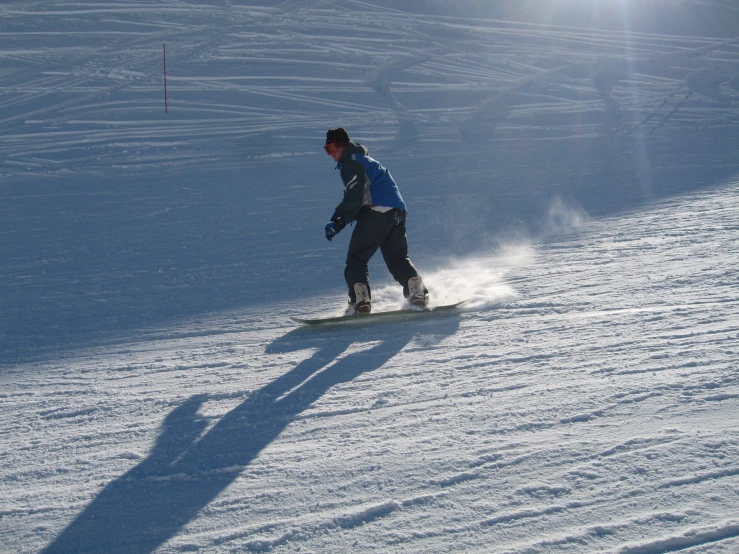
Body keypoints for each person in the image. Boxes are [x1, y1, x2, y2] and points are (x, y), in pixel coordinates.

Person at [322, 127, 428, 314]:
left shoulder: (352, 162)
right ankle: (416, 291)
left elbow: (354, 196)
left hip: (376, 212)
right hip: (397, 212)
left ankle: (359, 301)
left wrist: (338, 220)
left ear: (342, 146)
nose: (330, 154)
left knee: (356, 258)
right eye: (327, 150)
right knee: (398, 258)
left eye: (331, 149)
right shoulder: (366, 160)